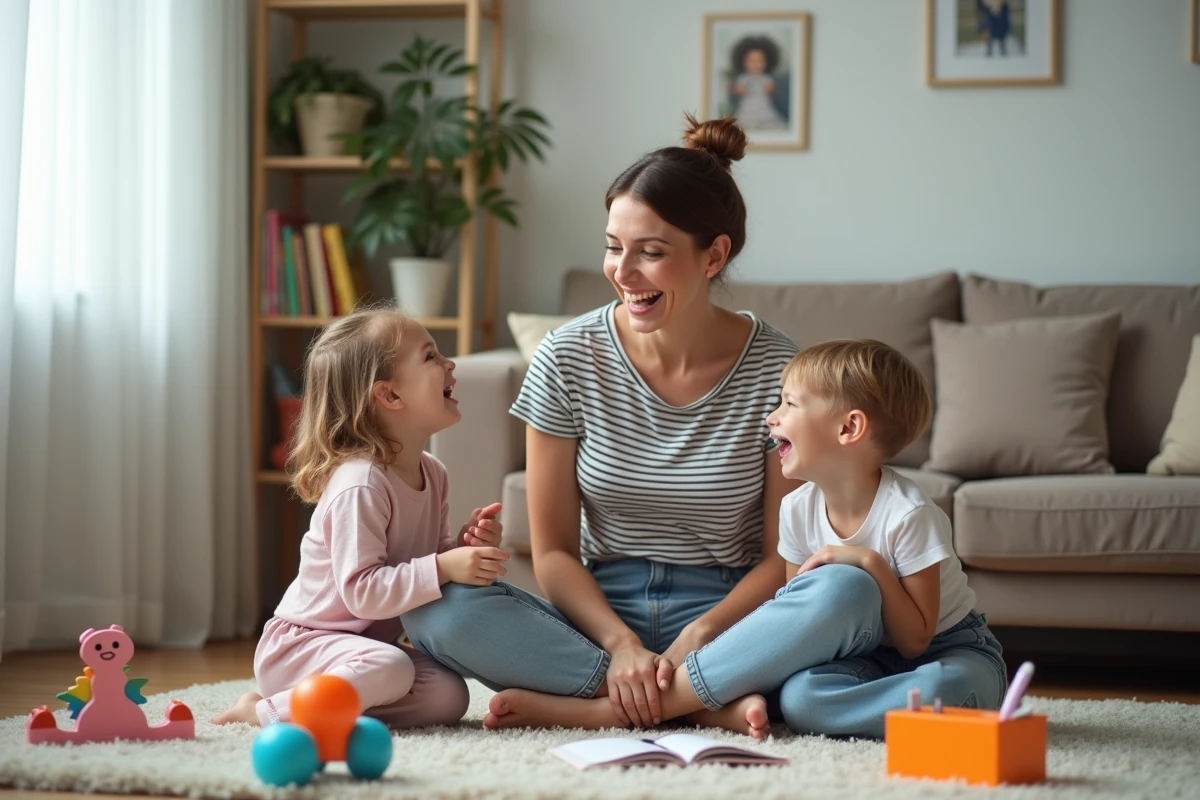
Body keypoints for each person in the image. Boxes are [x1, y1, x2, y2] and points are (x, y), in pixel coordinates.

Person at [398, 114, 808, 732]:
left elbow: (784, 558)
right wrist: (620, 647)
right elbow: (556, 550)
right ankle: (700, 703)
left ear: (714, 255)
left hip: (728, 615)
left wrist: (701, 634)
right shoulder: (566, 356)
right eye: (615, 247)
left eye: (652, 252)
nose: (623, 271)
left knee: (837, 611)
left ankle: (602, 709)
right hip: (596, 617)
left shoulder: (781, 369)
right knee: (437, 611)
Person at [470, 340, 1007, 739]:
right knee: (802, 700)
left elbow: (915, 640)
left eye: (790, 405)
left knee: (942, 685)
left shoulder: (910, 515)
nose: (772, 418)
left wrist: (867, 561)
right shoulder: (798, 509)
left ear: (849, 429)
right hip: (864, 658)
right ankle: (692, 706)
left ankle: (613, 712)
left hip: (944, 649)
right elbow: (803, 621)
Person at [213, 307, 510, 728]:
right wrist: (443, 566)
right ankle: (265, 712)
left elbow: (424, 560)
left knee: (447, 695)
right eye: (430, 357)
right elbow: (363, 593)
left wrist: (462, 548)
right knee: (393, 668)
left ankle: (322, 708)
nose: (450, 364)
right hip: (303, 647)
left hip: (361, 649)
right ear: (389, 396)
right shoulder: (361, 483)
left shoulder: (433, 472)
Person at [729, 35, 786, 130]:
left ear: (767, 63)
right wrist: (740, 89)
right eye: (751, 61)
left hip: (762, 102)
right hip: (748, 103)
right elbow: (738, 90)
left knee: (767, 119)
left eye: (759, 61)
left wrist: (769, 89)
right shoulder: (743, 78)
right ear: (743, 63)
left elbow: (772, 89)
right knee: (743, 120)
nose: (755, 64)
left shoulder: (766, 78)